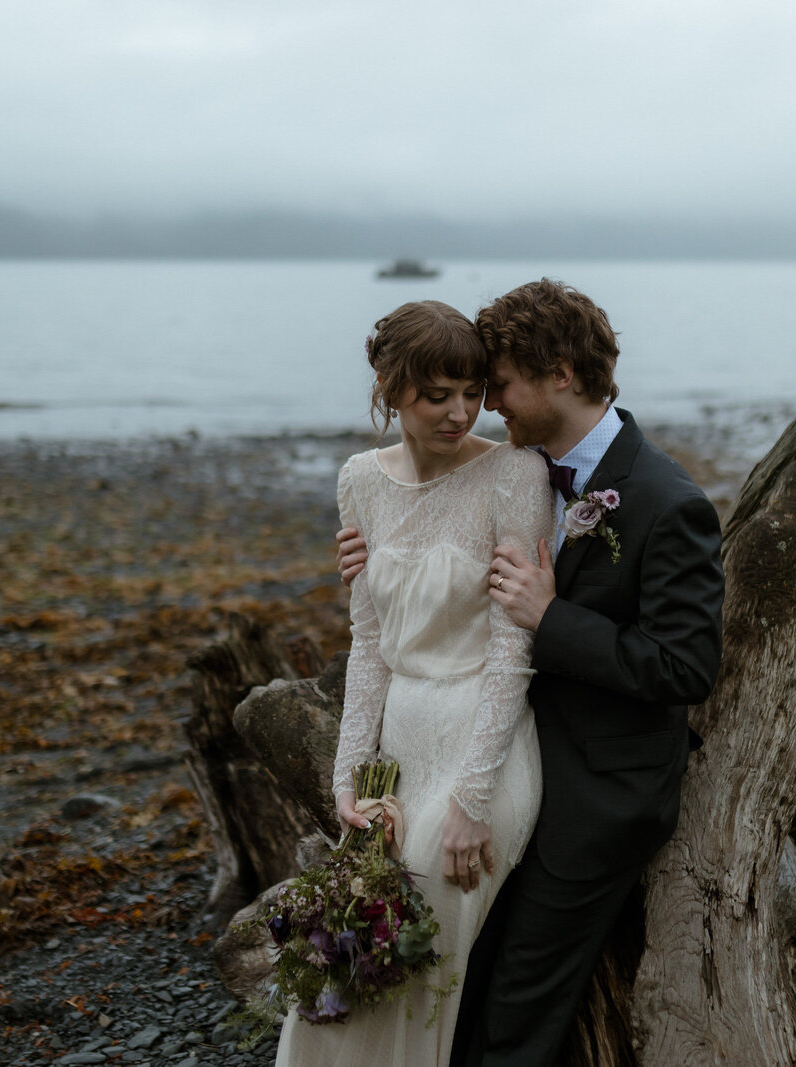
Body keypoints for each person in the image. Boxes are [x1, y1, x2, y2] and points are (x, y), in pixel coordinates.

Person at [337, 279, 726, 1066]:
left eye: (499, 385)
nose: (487, 408)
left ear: (560, 373)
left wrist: (553, 620)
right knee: (456, 972)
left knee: (516, 999)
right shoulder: (526, 468)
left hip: (601, 785)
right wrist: (379, 559)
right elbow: (438, 541)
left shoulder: (664, 499)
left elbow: (687, 665)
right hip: (509, 744)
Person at [275, 300, 556, 1066]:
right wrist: (347, 785)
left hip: (483, 741)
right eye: (438, 394)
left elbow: (513, 652)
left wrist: (470, 801)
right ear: (391, 388)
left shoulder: (515, 474)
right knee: (351, 929)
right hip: (396, 740)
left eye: (471, 391)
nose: (461, 411)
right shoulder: (359, 480)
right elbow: (369, 646)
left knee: (423, 916)